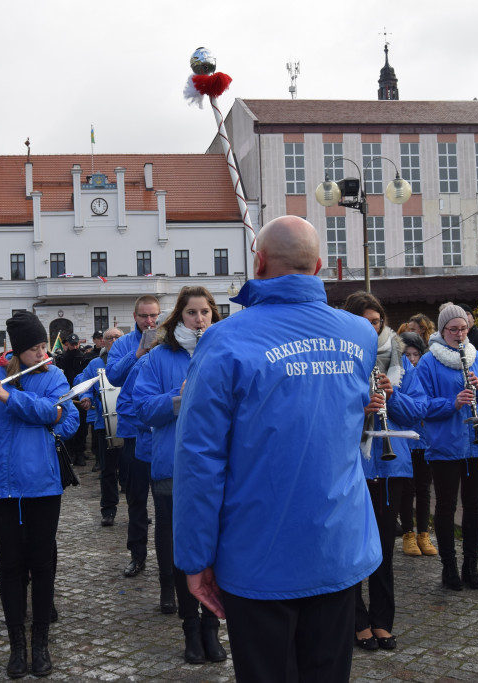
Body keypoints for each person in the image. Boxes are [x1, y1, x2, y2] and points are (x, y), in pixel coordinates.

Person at [173, 216, 381, 682]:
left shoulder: (224, 340)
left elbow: (200, 458)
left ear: (259, 262)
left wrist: (195, 557)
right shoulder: (359, 335)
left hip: (257, 551)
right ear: (319, 266)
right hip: (336, 544)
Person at [0, 311, 77, 678]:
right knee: (10, 567)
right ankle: (17, 647)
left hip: (41, 484)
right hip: (0, 488)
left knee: (41, 565)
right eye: (36, 347)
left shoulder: (53, 376)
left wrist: (12, 399)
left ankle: (40, 642)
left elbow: (63, 419)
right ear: (17, 350)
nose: (43, 352)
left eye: (44, 346)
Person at [134, 286, 227, 664]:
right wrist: (177, 398)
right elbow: (141, 409)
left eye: (206, 312)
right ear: (179, 316)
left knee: (216, 550)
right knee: (180, 550)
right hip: (172, 466)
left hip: (218, 467)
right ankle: (190, 628)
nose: (200, 319)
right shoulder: (158, 357)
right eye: (192, 312)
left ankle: (212, 627)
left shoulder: (223, 352)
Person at [342, 291, 424, 653]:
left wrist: (393, 396)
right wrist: (361, 407)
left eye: (376, 321)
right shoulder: (342, 359)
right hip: (354, 466)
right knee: (353, 547)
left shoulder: (400, 361)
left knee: (383, 551)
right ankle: (357, 621)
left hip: (392, 467)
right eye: (364, 321)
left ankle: (382, 621)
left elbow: (418, 410)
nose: (371, 328)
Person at [415, 303, 478, 591]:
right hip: (445, 443)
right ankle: (449, 566)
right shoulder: (429, 362)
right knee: (446, 506)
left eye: (464, 329)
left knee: (475, 506)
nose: (460, 334)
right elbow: (421, 406)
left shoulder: (477, 357)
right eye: (453, 329)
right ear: (442, 330)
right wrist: (452, 403)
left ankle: (471, 565)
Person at [106, 295, 161, 578]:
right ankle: (137, 556)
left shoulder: (168, 339)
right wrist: (137, 353)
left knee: (168, 498)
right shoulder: (124, 344)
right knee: (137, 499)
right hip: (133, 431)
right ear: (135, 316)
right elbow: (113, 377)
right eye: (144, 316)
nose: (149, 321)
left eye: (154, 316)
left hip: (163, 430)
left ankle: (171, 559)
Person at [75, 327, 123, 525]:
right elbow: (81, 381)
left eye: (117, 337)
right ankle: (108, 510)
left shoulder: (133, 359)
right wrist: (85, 396)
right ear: (103, 342)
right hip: (104, 423)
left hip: (130, 423)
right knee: (108, 469)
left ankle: (139, 511)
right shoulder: (96, 363)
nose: (113, 340)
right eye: (109, 338)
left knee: (134, 470)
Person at [397, 332, 437, 559]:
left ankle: (424, 532)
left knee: (424, 489)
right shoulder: (401, 373)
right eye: (407, 354)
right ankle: (408, 533)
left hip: (424, 439)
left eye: (416, 354)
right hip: (406, 440)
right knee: (407, 489)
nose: (412, 358)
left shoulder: (424, 373)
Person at [57, 333, 90, 465]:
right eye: (72, 345)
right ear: (67, 345)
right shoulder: (62, 359)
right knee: (68, 422)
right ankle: (70, 451)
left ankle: (80, 452)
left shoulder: (83, 358)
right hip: (67, 394)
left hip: (80, 393)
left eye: (76, 344)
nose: (75, 347)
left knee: (82, 424)